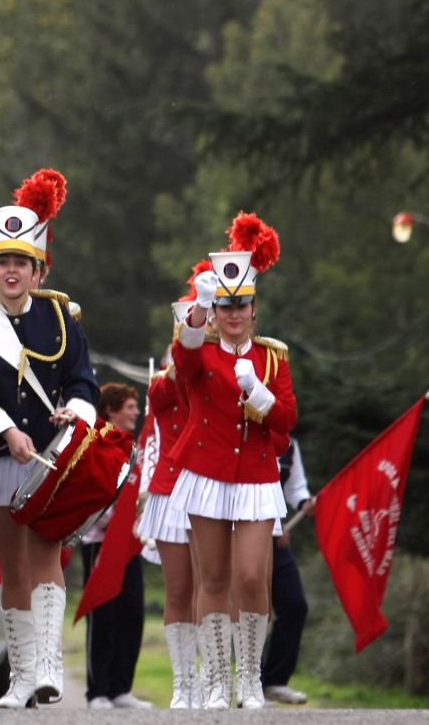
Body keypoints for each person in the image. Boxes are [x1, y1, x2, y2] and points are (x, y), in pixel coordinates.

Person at [0, 170, 98, 709]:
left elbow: (83, 379)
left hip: (49, 456)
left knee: (46, 557)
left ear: (38, 271)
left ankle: (50, 666)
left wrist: (75, 412)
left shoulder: (61, 318)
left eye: (22, 262)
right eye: (3, 262)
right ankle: (21, 676)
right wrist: (6, 430)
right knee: (12, 566)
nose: (11, 271)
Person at [166, 212, 295, 710]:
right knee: (214, 579)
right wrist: (199, 309)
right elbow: (183, 359)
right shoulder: (202, 351)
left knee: (250, 577)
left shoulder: (273, 358)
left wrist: (259, 394)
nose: (234, 314)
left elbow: (286, 419)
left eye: (241, 305)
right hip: (207, 475)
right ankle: (219, 680)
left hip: (257, 478)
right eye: (226, 306)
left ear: (254, 310)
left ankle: (250, 679)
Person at [135, 309, 201, 708]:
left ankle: (212, 681)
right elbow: (157, 397)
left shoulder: (219, 374)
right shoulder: (165, 380)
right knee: (178, 590)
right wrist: (181, 358)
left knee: (212, 590)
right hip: (170, 491)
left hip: (212, 488)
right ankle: (184, 684)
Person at [81, 383, 151, 709]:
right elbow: (92, 488)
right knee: (103, 615)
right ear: (110, 410)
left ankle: (121, 688)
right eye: (130, 406)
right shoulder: (98, 443)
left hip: (128, 545)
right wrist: (115, 518)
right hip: (100, 542)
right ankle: (98, 691)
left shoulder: (136, 448)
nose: (136, 412)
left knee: (132, 612)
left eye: (137, 406)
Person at [262, 436, 312, 705]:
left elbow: (295, 487)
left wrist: (304, 502)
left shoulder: (290, 445)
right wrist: (273, 525)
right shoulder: (245, 434)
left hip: (275, 538)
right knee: (254, 610)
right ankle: (249, 686)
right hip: (240, 534)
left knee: (294, 606)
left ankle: (275, 681)